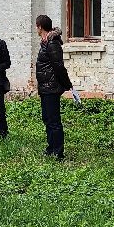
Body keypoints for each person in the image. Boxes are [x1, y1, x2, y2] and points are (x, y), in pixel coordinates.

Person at [34, 13, 79, 160]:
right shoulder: (46, 41)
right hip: (45, 87)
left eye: (37, 26)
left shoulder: (52, 43)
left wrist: (68, 86)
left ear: (40, 27)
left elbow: (59, 67)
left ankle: (58, 152)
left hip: (51, 87)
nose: (36, 29)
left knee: (54, 121)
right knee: (47, 118)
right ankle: (51, 148)